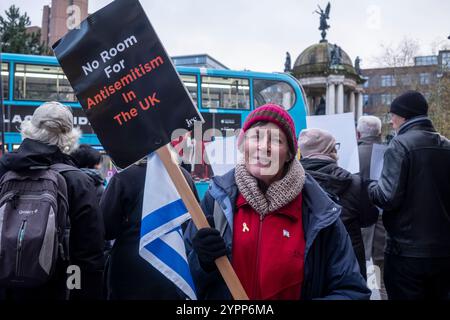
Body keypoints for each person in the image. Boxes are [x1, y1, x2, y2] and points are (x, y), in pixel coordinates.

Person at [184, 104, 370, 300]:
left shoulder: (319, 210)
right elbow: (182, 279)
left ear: (290, 154)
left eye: (277, 140)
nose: (264, 147)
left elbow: (353, 291)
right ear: (242, 145)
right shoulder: (215, 201)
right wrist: (201, 263)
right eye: (256, 136)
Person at [0, 101, 105, 300]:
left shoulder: (5, 170)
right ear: (69, 137)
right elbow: (89, 251)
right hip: (59, 286)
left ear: (29, 129)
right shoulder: (77, 180)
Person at [368, 91, 450, 300]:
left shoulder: (400, 144)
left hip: (406, 251)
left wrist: (371, 186)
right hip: (443, 251)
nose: (391, 121)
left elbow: (387, 197)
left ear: (403, 116)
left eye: (392, 115)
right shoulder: (446, 145)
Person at [100, 154, 199, 299]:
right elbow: (194, 224)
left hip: (130, 269)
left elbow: (106, 228)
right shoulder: (183, 177)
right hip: (174, 264)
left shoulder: (124, 177)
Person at [298, 128, 378, 279]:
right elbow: (369, 218)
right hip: (348, 261)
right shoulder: (354, 182)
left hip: (306, 259)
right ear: (330, 149)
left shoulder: (291, 181)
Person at [356, 116, 387, 299]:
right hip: (383, 226)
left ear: (359, 133)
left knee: (360, 276)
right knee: (380, 278)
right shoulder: (391, 152)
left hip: (359, 226)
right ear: (380, 132)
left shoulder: (352, 153)